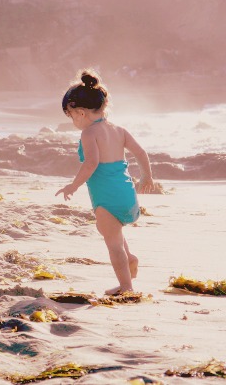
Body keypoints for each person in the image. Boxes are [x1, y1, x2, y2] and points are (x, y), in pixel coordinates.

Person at [55, 68, 155, 295]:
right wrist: (147, 176)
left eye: (70, 116)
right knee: (112, 233)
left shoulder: (89, 133)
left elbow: (91, 163)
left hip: (107, 197)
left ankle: (126, 287)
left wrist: (73, 185)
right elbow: (140, 153)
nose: (73, 121)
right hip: (127, 194)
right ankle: (130, 259)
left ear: (80, 112)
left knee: (113, 244)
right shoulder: (119, 130)